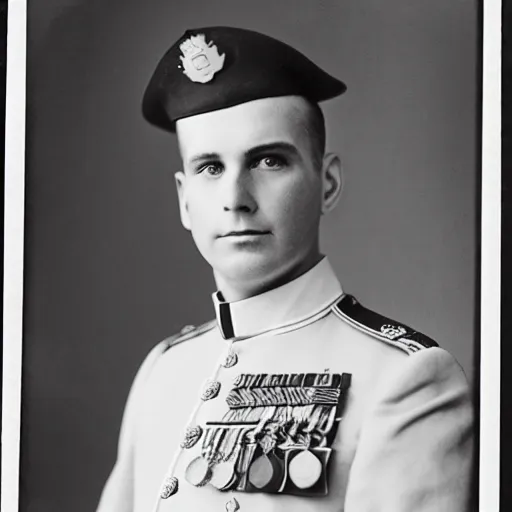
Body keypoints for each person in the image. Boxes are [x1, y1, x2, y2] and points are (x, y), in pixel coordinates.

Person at [96, 26, 473, 512]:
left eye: (269, 160)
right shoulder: (162, 371)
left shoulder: (404, 377)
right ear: (184, 201)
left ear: (328, 183)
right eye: (210, 168)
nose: (235, 200)